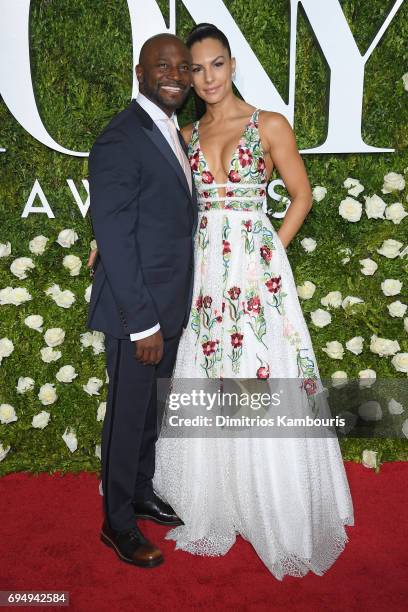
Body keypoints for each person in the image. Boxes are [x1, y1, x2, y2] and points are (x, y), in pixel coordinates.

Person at [151, 24, 355, 580]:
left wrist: (269, 258)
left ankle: (275, 500)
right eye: (196, 69)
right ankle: (219, 497)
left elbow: (301, 194)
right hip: (206, 275)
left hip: (257, 273)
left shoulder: (268, 125)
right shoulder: (185, 134)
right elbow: (168, 206)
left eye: (216, 65)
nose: (207, 78)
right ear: (188, 76)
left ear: (233, 63)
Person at [87, 33, 197, 568]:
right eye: (163, 66)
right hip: (140, 314)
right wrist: (142, 324)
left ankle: (142, 491)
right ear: (140, 71)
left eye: (183, 66)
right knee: (128, 417)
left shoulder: (170, 131)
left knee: (152, 411)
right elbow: (115, 236)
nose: (175, 74)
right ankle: (117, 523)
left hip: (168, 305)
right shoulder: (120, 137)